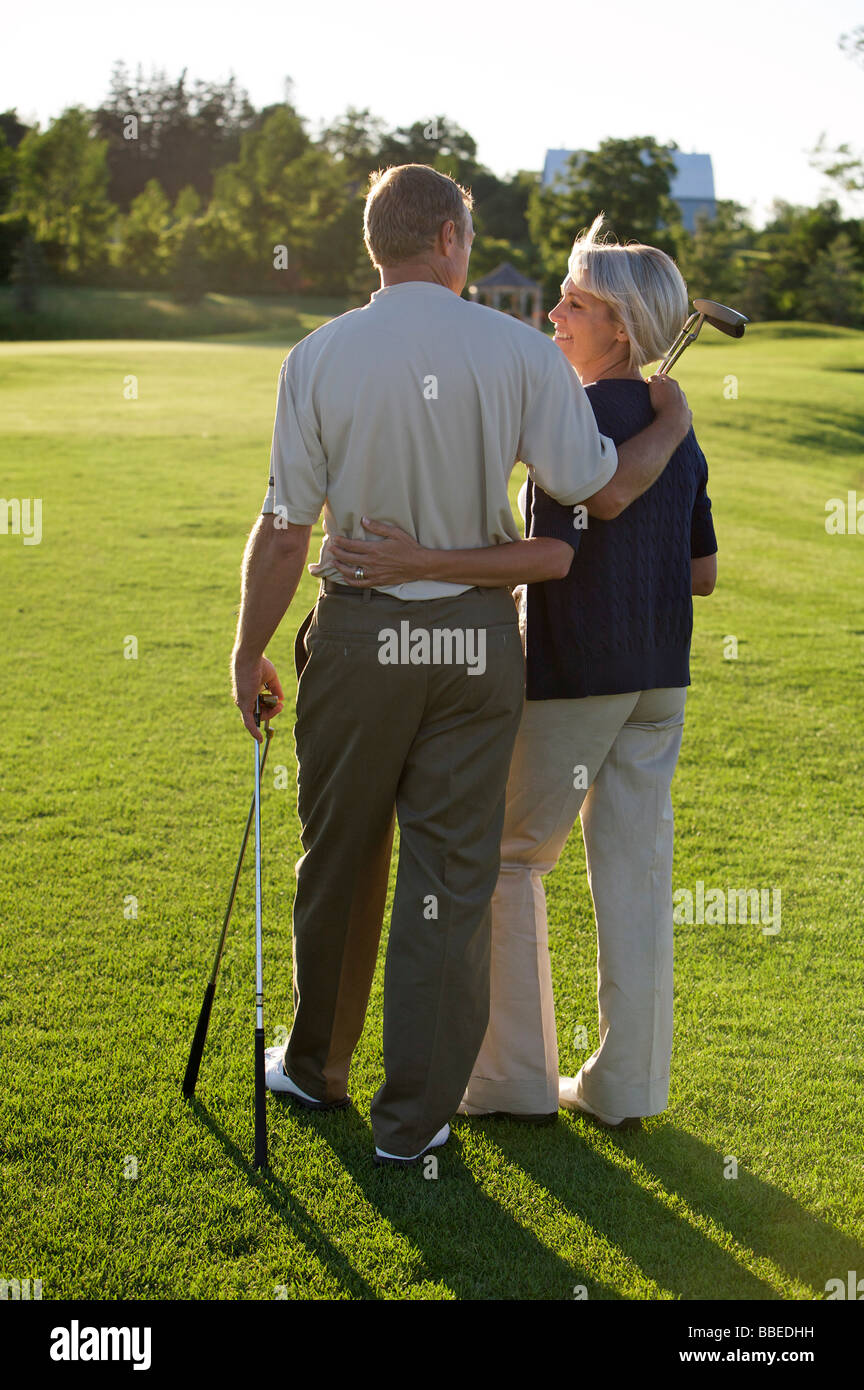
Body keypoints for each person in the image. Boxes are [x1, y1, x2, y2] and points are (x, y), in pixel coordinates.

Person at [231, 172, 692, 1165]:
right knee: (451, 877)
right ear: (449, 238)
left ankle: (317, 1070)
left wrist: (246, 648)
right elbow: (591, 486)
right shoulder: (524, 352)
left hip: (358, 637)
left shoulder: (316, 355)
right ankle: (419, 1117)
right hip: (479, 645)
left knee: (340, 860)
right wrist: (666, 417)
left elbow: (282, 533)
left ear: (376, 246)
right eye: (471, 232)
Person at [327, 214, 717, 1132]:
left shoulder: (568, 417)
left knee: (506, 858)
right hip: (662, 680)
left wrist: (426, 557)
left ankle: (510, 1084)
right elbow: (701, 573)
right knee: (635, 875)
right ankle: (627, 1091)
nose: (551, 316)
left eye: (572, 303)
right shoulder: (673, 422)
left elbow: (555, 552)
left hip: (582, 677)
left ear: (618, 327)